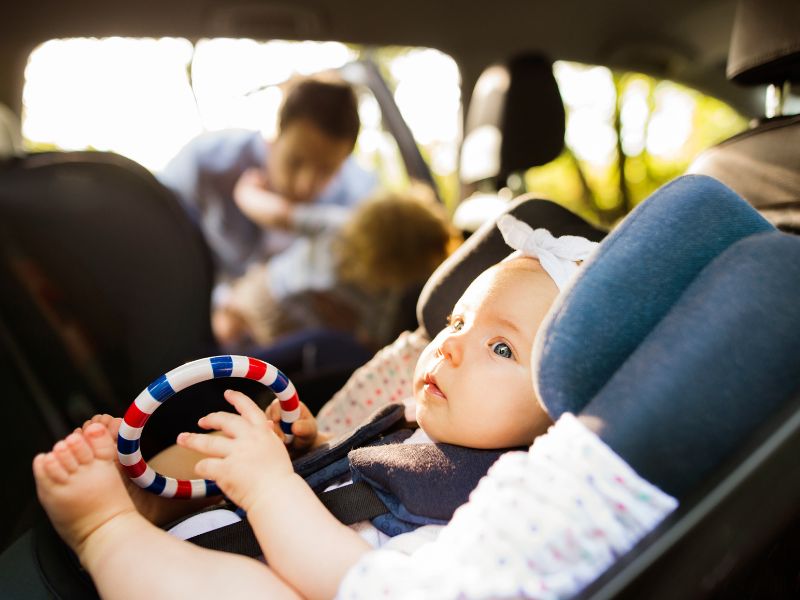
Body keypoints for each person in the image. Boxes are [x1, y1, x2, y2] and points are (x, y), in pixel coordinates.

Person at [31, 219, 674, 599]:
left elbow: (353, 578)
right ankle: (143, 493)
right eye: (456, 321)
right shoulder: (414, 424)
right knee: (225, 437)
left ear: (560, 411)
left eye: (500, 346)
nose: (449, 348)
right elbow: (347, 479)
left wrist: (269, 485)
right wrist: (306, 448)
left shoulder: (493, 506)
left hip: (281, 581)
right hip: (224, 535)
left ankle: (103, 531)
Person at [157, 73, 377, 293]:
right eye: (295, 161)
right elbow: (157, 235)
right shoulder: (207, 163)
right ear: (276, 132)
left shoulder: (356, 199)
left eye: (327, 171)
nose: (305, 185)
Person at [212, 184, 457, 352]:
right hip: (294, 331)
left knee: (225, 327)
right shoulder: (385, 293)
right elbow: (372, 341)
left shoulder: (340, 226)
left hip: (270, 290)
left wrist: (246, 191)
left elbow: (280, 214)